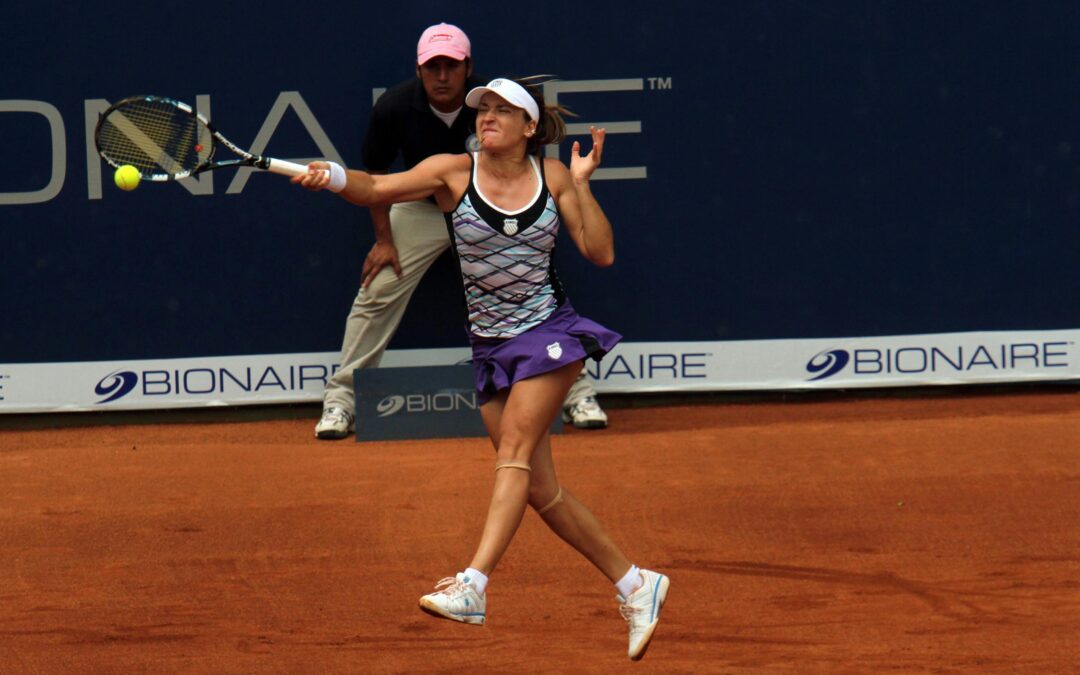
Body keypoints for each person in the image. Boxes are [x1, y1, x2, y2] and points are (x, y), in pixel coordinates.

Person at [293, 77, 669, 660]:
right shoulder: (451, 171)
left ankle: (474, 583)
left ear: (529, 128)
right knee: (542, 492)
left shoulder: (555, 178)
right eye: (483, 109)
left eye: (502, 110)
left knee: (513, 451)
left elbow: (601, 252)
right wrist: (333, 176)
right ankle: (637, 584)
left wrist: (584, 185)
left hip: (548, 333)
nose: (487, 116)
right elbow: (376, 187)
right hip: (491, 345)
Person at [315, 22, 608, 440]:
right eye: (432, 66)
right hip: (422, 204)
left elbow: (526, 175)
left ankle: (574, 392)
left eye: (451, 66)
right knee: (376, 291)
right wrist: (384, 238)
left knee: (530, 286)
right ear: (419, 70)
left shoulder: (497, 102)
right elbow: (377, 179)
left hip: (488, 202)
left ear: (467, 67)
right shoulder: (394, 108)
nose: (441, 75)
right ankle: (341, 400)